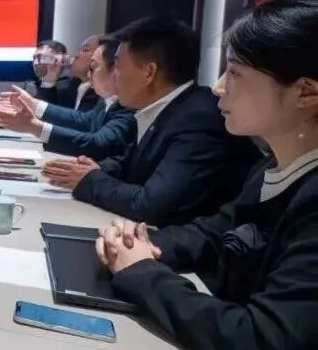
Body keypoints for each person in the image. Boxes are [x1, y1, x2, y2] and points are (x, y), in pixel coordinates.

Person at [95, 0, 318, 350]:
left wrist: (141, 272)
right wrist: (139, 244)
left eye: (234, 73)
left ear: (304, 92)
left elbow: (265, 343)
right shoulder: (271, 167)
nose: (217, 88)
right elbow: (216, 232)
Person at [41, 16, 261, 226]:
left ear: (149, 73)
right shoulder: (171, 107)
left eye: (118, 66)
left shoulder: (200, 118)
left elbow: (151, 205)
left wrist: (90, 180)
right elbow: (131, 162)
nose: (114, 75)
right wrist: (93, 169)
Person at [0, 35, 136, 160]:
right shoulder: (106, 100)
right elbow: (83, 120)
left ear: (116, 70)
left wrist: (34, 127)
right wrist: (33, 104)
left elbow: (99, 144)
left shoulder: (130, 107)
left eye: (93, 66)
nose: (89, 74)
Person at [33, 37, 100, 111]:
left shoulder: (101, 92)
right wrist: (49, 80)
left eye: (85, 50)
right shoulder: (75, 85)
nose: (76, 55)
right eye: (35, 58)